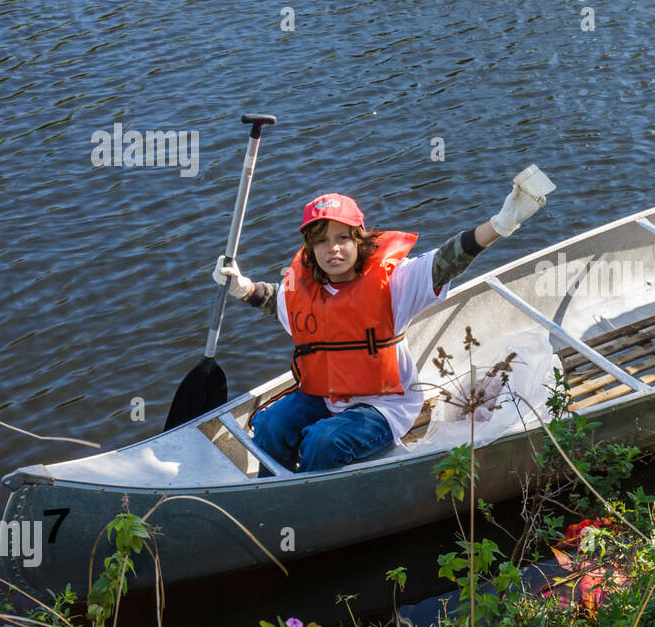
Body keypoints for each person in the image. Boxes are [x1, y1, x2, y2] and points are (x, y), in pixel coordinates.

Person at [212, 167, 554, 473]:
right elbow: (275, 301)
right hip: (324, 395)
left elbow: (447, 260)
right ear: (310, 249)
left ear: (359, 239)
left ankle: (313, 500)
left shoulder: (393, 283)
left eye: (342, 237)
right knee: (270, 426)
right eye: (322, 241)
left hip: (382, 404)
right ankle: (276, 491)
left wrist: (498, 225)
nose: (333, 249)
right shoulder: (303, 289)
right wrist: (242, 287)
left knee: (322, 442)